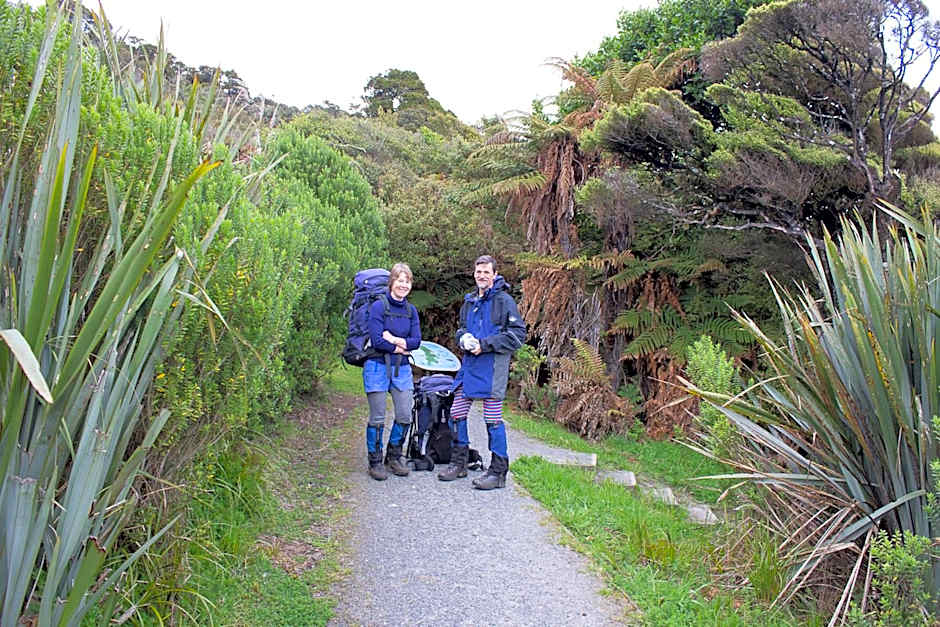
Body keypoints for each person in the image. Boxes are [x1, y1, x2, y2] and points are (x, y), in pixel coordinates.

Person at [438, 255, 526, 489]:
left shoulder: (504, 301)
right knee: (456, 413)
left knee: (493, 420)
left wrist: (484, 345)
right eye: (478, 272)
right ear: (474, 274)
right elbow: (462, 329)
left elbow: (517, 335)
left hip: (493, 368)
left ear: (494, 274)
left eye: (486, 272)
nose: (482, 276)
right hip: (470, 367)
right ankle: (460, 463)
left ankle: (498, 472)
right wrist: (462, 338)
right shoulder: (469, 302)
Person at [364, 262, 421, 481]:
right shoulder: (379, 306)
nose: (403, 285)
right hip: (376, 366)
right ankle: (375, 461)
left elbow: (416, 341)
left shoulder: (410, 310)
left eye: (407, 281)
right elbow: (377, 340)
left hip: (402, 369)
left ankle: (394, 456)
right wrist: (401, 347)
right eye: (400, 280)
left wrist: (395, 340)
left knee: (405, 414)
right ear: (392, 282)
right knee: (377, 416)